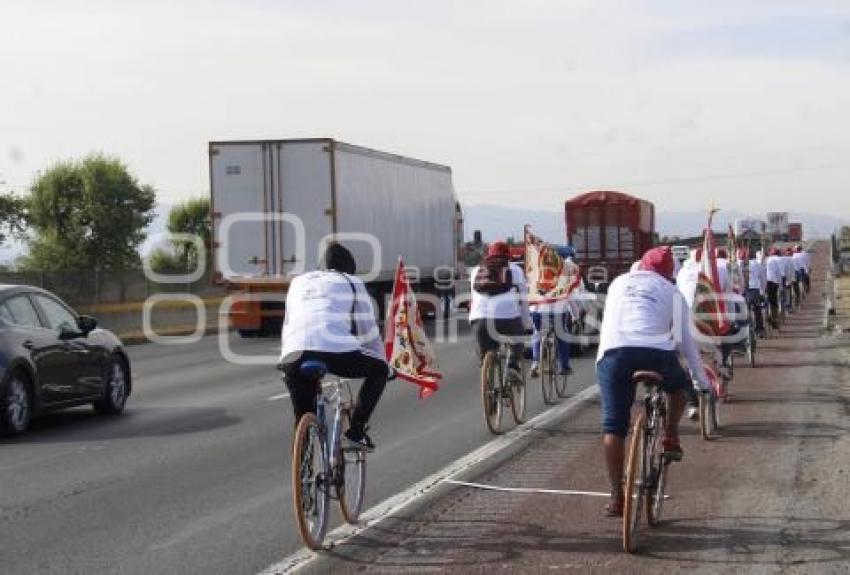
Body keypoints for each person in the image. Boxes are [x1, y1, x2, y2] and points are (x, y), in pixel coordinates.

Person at [597, 246, 709, 516]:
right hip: (656, 353)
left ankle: (617, 496)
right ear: (669, 273)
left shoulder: (617, 283)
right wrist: (700, 382)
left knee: (613, 428)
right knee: (678, 388)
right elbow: (686, 344)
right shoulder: (672, 292)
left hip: (615, 353)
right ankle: (670, 435)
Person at [279, 242, 390, 451]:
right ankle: (356, 432)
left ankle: (305, 476)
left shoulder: (297, 282)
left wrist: (285, 365)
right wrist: (385, 363)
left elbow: (288, 324)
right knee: (379, 370)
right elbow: (369, 333)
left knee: (302, 414)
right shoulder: (351, 281)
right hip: (335, 350)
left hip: (293, 352)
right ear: (349, 268)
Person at [469, 241, 532, 378]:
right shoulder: (516, 270)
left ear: (489, 255)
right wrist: (527, 324)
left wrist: (473, 320)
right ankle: (512, 367)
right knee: (517, 340)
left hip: (479, 318)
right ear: (508, 255)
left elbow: (473, 298)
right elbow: (523, 301)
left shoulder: (476, 271)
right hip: (508, 318)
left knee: (484, 352)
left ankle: (487, 375)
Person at [746, 249, 768, 338]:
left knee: (744, 312)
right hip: (755, 290)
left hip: (745, 291)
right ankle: (759, 330)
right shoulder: (758, 265)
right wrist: (763, 291)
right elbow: (763, 279)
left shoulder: (741, 265)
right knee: (757, 311)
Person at [765, 247, 784, 328]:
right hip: (774, 282)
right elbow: (781, 273)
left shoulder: (767, 259)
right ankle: (774, 319)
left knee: (766, 300)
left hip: (766, 281)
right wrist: (781, 285)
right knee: (774, 301)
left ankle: (766, 316)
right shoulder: (779, 259)